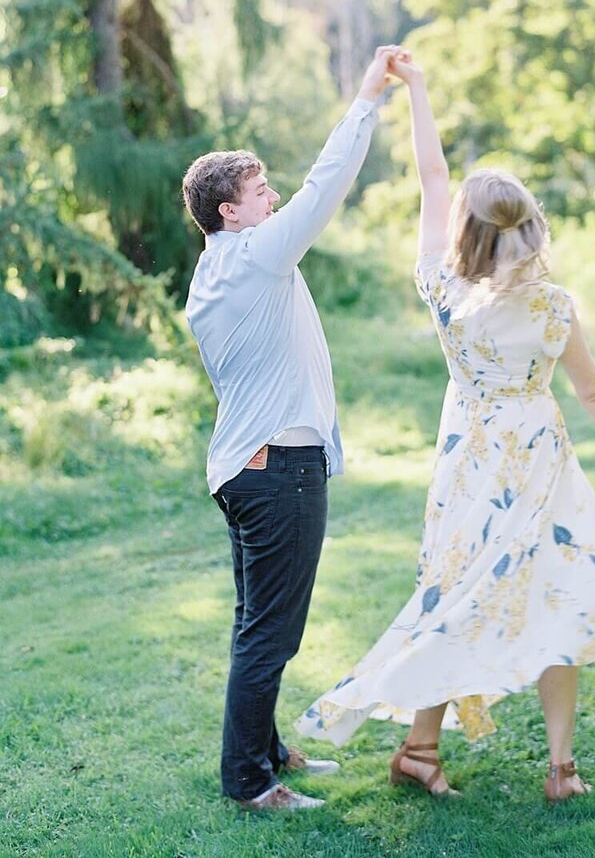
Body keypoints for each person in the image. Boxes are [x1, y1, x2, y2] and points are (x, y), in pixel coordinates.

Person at [296, 57, 595, 801]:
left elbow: (433, 179)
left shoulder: (442, 288)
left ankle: (427, 750)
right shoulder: (553, 307)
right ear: (529, 226)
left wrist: (418, 89)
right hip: (537, 461)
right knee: (558, 593)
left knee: (455, 594)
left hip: (468, 463)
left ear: (467, 234)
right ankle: (555, 769)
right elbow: (591, 388)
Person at [182, 45, 406, 813]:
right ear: (229, 211)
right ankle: (249, 784)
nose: (272, 196)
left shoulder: (217, 268)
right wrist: (368, 99)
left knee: (258, 625)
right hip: (277, 470)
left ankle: (268, 751)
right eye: (258, 188)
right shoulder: (253, 258)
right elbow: (326, 187)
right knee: (269, 635)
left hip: (248, 469)